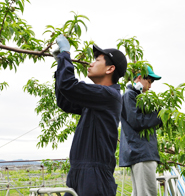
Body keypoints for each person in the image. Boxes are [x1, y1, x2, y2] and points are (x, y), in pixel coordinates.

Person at [53, 34, 127, 196]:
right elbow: (64, 101)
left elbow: (69, 86)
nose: (90, 63)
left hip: (94, 176)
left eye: (97, 60)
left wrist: (65, 55)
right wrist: (60, 64)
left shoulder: (109, 95)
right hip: (79, 172)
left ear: (110, 68)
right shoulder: (96, 99)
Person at [119, 65, 162, 196]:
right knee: (147, 193)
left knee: (140, 193)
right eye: (149, 82)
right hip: (141, 152)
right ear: (139, 78)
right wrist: (159, 116)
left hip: (139, 153)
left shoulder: (137, 97)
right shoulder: (130, 95)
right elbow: (137, 121)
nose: (150, 86)